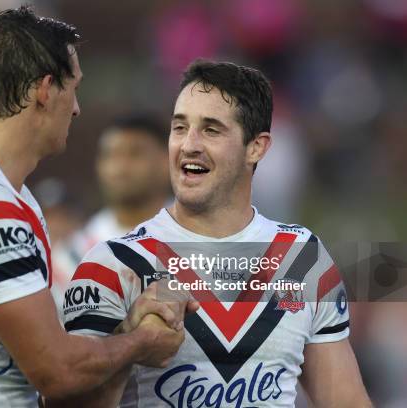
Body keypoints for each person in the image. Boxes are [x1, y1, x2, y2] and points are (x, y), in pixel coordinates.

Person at [0, 6, 193, 408]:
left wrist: (124, 331)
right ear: (46, 90)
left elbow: (44, 364)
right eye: (75, 89)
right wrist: (140, 342)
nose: (78, 108)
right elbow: (55, 371)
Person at [54, 61, 372, 407]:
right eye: (179, 127)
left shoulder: (302, 259)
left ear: (257, 147)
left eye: (211, 130)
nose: (188, 145)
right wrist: (131, 339)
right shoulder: (113, 263)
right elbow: (66, 400)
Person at [51, 113, 171, 303]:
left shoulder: (199, 237)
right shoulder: (74, 255)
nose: (120, 168)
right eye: (110, 155)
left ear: (167, 162)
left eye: (135, 154)